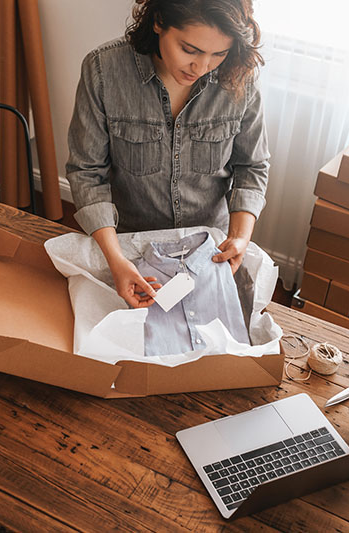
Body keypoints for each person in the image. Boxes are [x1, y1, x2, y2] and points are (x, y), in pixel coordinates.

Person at [66, 0, 268, 309]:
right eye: (190, 50)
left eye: (219, 54)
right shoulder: (103, 70)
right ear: (158, 21)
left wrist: (240, 237)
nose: (201, 68)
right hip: (128, 248)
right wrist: (116, 260)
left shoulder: (239, 77)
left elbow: (251, 167)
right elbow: (86, 173)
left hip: (208, 251)